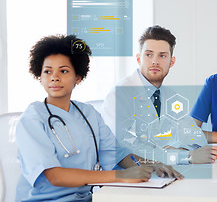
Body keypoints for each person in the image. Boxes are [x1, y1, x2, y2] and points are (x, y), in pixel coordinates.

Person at [16, 35, 183, 202]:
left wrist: (154, 164)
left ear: (78, 77)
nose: (54, 77)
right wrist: (120, 176)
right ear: (40, 75)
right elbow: (55, 176)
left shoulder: (88, 113)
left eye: (64, 71)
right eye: (47, 71)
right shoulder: (32, 118)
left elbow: (118, 154)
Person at [102, 25, 217, 165]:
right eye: (148, 54)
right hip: (129, 177)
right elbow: (127, 149)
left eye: (162, 55)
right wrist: (184, 156)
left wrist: (174, 151)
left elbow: (196, 138)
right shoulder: (119, 95)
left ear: (172, 61)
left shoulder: (171, 96)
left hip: (161, 173)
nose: (155, 61)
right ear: (139, 59)